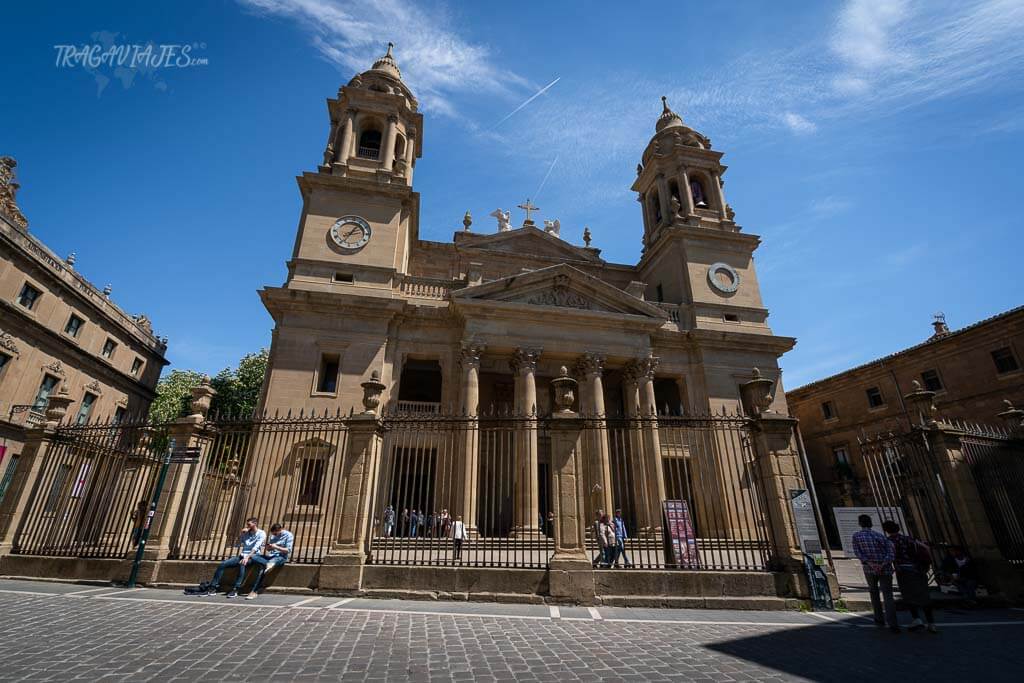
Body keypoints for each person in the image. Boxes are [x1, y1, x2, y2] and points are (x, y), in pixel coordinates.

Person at [882, 520, 937, 633]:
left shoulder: (889, 541)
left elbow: (890, 556)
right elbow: (926, 548)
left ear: (886, 530)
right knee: (924, 596)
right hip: (918, 569)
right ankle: (931, 623)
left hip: (904, 571)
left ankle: (916, 618)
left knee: (908, 596)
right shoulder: (908, 538)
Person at [852, 514, 899, 632]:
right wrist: (882, 564)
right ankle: (893, 623)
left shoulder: (857, 536)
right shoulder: (880, 536)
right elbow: (891, 552)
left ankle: (878, 618)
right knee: (888, 595)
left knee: (873, 592)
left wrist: (871, 564)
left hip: (869, 568)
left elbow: (858, 553)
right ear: (871, 523)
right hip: (884, 569)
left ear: (860, 523)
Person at [205, 517, 266, 598]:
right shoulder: (246, 533)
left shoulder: (261, 533)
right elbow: (238, 544)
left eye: (249, 524)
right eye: (247, 524)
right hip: (242, 555)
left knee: (242, 564)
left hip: (253, 556)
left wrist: (247, 557)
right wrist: (241, 534)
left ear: (255, 524)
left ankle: (235, 589)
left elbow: (256, 547)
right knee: (223, 564)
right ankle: (213, 587)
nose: (247, 526)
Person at [245, 523, 294, 600]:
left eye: (276, 533)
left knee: (262, 570)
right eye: (273, 534)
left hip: (281, 557)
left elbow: (288, 550)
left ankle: (254, 591)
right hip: (270, 557)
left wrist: (276, 547)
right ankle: (269, 564)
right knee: (253, 556)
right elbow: (268, 550)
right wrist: (269, 547)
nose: (274, 535)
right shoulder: (273, 536)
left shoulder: (289, 535)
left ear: (280, 530)